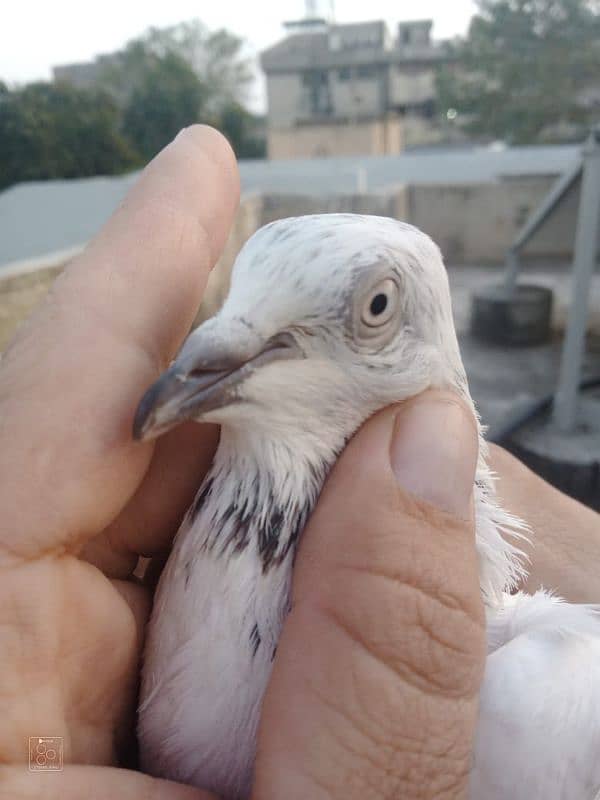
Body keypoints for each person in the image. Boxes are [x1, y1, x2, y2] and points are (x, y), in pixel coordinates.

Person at [0, 126, 597, 800]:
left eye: (375, 307)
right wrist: (29, 762)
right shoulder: (109, 629)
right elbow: (45, 765)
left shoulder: (547, 705)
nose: (212, 344)